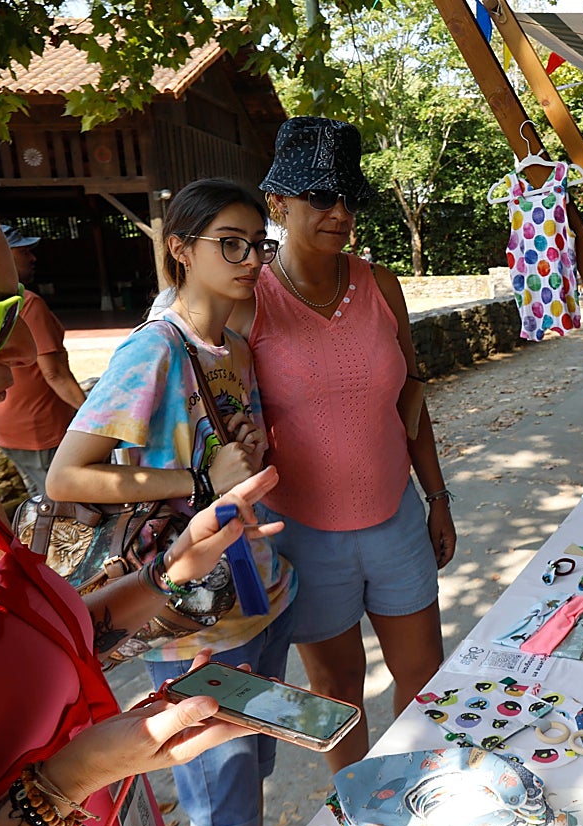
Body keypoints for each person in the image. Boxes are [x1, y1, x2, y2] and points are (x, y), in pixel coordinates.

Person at [0, 189, 280, 826]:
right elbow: (67, 474)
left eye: (259, 244)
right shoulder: (153, 350)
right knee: (225, 809)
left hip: (226, 582)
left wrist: (175, 564)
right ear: (180, 250)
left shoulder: (237, 347)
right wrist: (72, 779)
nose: (22, 355)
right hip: (191, 622)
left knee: (244, 781)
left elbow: (62, 641)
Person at [228, 116, 456, 772]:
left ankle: (422, 796)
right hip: (303, 533)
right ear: (279, 203)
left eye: (348, 198)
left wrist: (437, 496)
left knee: (423, 682)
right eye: (321, 197)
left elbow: (411, 398)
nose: (339, 212)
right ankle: (359, 807)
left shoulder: (382, 286)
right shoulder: (251, 304)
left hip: (397, 520)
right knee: (336, 692)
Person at [0, 226, 84, 497]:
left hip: (0, 426)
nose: (32, 258)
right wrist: (93, 417)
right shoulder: (28, 303)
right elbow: (54, 374)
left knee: (36, 498)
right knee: (58, 503)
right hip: (39, 428)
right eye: (24, 251)